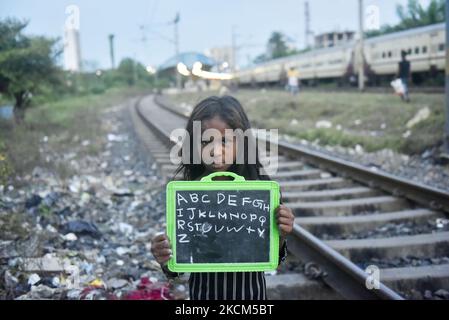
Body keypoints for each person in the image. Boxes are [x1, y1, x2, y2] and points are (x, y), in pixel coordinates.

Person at [150, 96, 295, 300]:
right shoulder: (189, 193)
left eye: (225, 141)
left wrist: (280, 235)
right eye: (206, 141)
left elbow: (273, 259)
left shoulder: (261, 190)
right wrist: (165, 258)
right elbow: (176, 269)